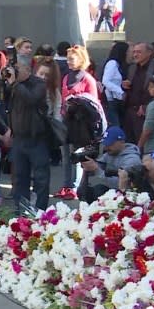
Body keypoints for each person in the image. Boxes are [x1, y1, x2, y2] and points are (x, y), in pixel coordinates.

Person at [56, 45, 105, 201]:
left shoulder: (88, 79)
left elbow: (94, 105)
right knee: (65, 155)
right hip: (67, 121)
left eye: (72, 58)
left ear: (81, 59)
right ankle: (66, 185)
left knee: (78, 156)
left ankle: (76, 187)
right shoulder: (66, 77)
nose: (69, 61)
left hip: (82, 125)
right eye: (68, 58)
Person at [6, 56, 51, 212]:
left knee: (41, 178)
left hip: (36, 138)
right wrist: (3, 80)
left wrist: (15, 84)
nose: (15, 73)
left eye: (18, 69)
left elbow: (31, 99)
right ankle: (21, 209)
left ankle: (40, 210)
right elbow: (1, 98)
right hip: (19, 138)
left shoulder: (38, 84)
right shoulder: (14, 85)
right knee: (19, 177)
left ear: (27, 70)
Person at [79, 126, 141, 202]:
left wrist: (96, 169)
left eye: (110, 144)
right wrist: (87, 165)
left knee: (99, 192)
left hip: (128, 195)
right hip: (113, 190)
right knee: (85, 191)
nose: (107, 147)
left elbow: (120, 184)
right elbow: (99, 165)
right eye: (106, 144)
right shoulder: (111, 153)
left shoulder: (132, 159)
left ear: (121, 141)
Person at [123, 42, 154, 144]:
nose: (135, 55)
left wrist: (148, 106)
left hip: (146, 112)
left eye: (139, 52)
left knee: (143, 145)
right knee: (129, 144)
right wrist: (125, 85)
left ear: (149, 52)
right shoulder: (132, 68)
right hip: (130, 111)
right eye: (134, 52)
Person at [101, 42, 130, 127]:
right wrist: (120, 91)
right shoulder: (112, 63)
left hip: (116, 99)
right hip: (111, 100)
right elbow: (105, 81)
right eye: (127, 51)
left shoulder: (118, 65)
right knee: (115, 125)